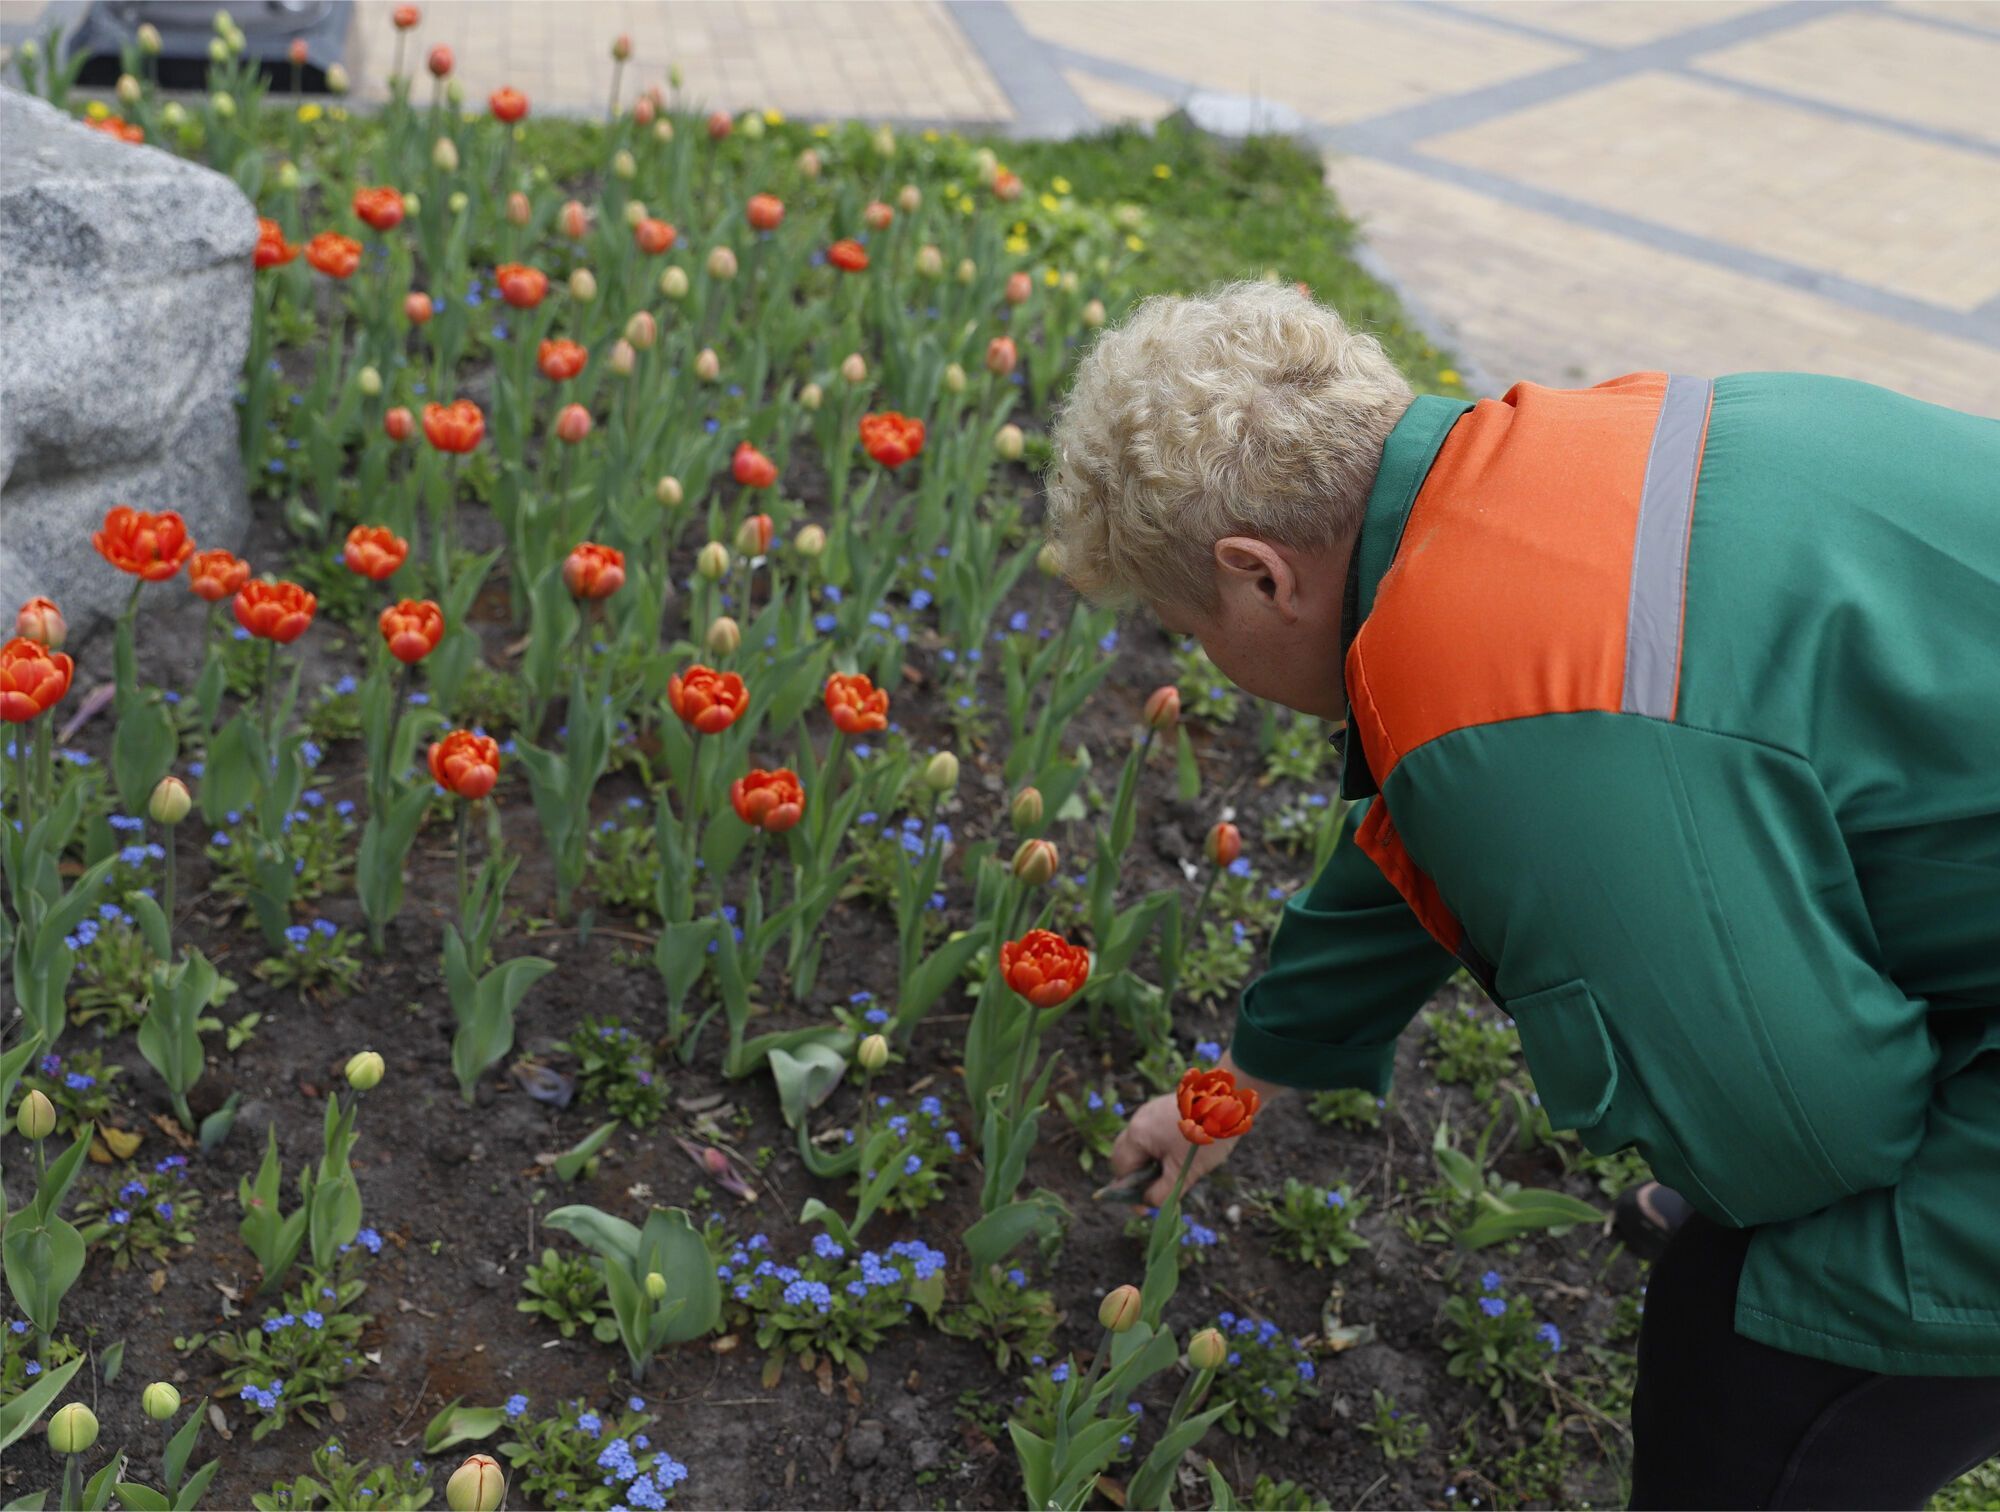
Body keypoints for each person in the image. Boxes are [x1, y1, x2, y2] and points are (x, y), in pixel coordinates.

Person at [1042, 279, 2000, 1509]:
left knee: (1756, 1335)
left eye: (1190, 629)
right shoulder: (1546, 471)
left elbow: (1807, 1140)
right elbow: (1435, 817)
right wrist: (1247, 1077)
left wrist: (1717, 1153)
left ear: (1259, 575)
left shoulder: (1502, 704)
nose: (1209, 667)